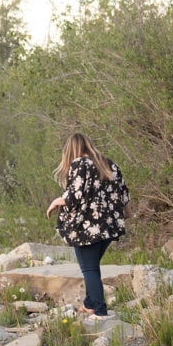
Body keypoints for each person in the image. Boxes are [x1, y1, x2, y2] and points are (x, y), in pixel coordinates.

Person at [44, 133, 130, 320]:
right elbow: (124, 194)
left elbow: (73, 196)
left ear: (70, 150)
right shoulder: (109, 163)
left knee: (89, 269)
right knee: (91, 266)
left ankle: (100, 312)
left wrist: (55, 202)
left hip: (87, 229)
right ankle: (89, 304)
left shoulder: (79, 164)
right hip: (109, 226)